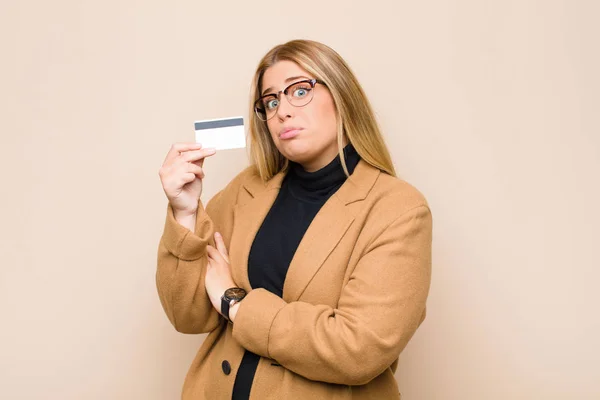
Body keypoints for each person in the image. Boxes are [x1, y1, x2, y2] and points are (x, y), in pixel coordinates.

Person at [156, 39, 433, 400]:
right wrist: (185, 212)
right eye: (271, 101)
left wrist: (235, 302)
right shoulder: (246, 190)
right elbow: (188, 317)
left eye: (299, 91)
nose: (282, 111)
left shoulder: (397, 209)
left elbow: (358, 349)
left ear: (341, 95)